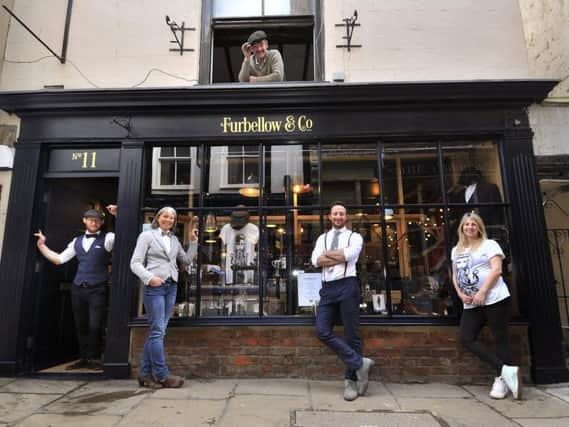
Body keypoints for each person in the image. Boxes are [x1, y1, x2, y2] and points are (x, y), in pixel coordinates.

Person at [34, 205, 117, 371]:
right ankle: (84, 358)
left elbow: (125, 235)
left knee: (95, 325)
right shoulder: (76, 241)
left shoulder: (108, 238)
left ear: (101, 222)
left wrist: (117, 214)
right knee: (81, 325)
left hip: (97, 288)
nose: (94, 222)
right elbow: (59, 259)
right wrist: (42, 245)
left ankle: (94, 358)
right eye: (91, 219)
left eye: (97, 220)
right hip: (78, 288)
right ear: (84, 221)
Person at [451, 212, 521, 400]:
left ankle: (502, 380)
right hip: (471, 303)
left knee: (501, 338)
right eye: (467, 225)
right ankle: (505, 370)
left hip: (494, 298)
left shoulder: (489, 245)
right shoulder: (456, 250)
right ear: (462, 228)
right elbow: (455, 275)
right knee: (466, 337)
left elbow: (497, 270)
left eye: (474, 224)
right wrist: (459, 293)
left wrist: (482, 291)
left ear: (479, 227)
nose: (470, 227)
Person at [311, 201, 374, 401]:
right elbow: (315, 261)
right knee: (322, 330)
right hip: (327, 288)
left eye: (341, 214)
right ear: (330, 217)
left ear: (346, 217)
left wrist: (328, 255)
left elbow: (350, 254)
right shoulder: (322, 237)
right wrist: (339, 256)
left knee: (352, 334)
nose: (338, 216)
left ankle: (351, 382)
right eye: (335, 213)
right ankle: (360, 363)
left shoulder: (354, 237)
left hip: (347, 285)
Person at [130, 206, 195, 388]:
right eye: (166, 216)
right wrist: (150, 278)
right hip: (155, 287)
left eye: (172, 218)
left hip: (171, 287)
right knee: (158, 331)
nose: (169, 220)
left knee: (157, 331)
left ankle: (144, 374)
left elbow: (186, 260)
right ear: (158, 218)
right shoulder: (147, 236)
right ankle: (162, 374)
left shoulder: (174, 239)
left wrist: (195, 243)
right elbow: (134, 263)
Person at [219, 206, 259, 285]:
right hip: (231, 272)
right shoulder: (226, 229)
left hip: (248, 271)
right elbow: (222, 250)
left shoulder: (253, 229)